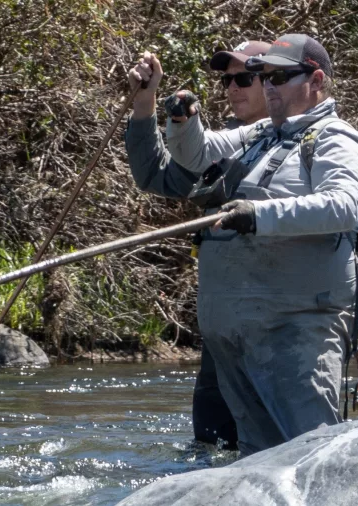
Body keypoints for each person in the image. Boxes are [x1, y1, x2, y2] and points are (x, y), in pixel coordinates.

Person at [165, 33, 358, 455]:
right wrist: (181, 120)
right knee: (256, 463)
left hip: (295, 332)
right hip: (236, 332)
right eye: (263, 76)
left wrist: (258, 216)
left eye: (280, 76)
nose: (268, 86)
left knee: (312, 456)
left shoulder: (337, 139)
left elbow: (345, 206)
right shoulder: (261, 133)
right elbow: (197, 156)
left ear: (315, 80)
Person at [124, 40, 272, 450]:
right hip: (222, 321)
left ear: (276, 80)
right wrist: (146, 101)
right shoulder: (217, 146)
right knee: (210, 443)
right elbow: (154, 175)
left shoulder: (312, 143)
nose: (232, 88)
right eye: (226, 80)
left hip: (280, 322)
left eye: (244, 78)